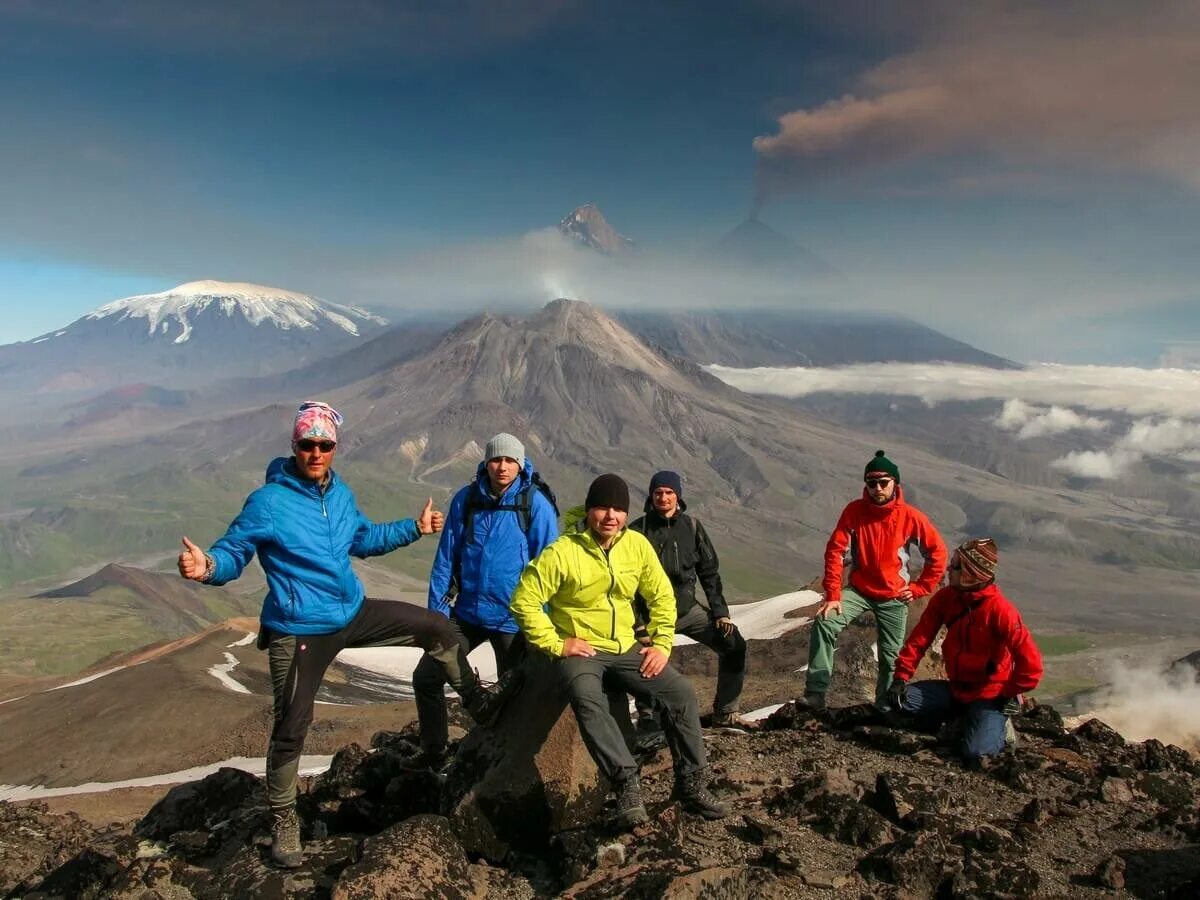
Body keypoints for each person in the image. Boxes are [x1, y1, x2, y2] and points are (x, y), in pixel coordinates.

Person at [177, 401, 503, 869]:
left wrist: (414, 528)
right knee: (291, 724)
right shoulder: (268, 503)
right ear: (294, 446)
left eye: (324, 445)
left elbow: (363, 539)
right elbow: (233, 552)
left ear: (335, 447)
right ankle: (285, 822)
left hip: (351, 611)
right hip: (300, 628)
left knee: (437, 627)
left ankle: (476, 704)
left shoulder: (339, 494)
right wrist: (206, 566)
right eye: (307, 444)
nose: (316, 452)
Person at [509, 474, 728, 828]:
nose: (610, 516)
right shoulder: (563, 551)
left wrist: (660, 644)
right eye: (602, 508)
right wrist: (557, 642)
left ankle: (692, 785)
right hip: (582, 649)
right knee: (587, 698)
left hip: (625, 645)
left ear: (626, 513)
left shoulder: (636, 547)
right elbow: (524, 601)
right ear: (589, 510)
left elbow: (661, 596)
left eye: (618, 509)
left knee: (681, 693)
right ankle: (626, 782)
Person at [410, 432, 559, 769]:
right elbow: (445, 560)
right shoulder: (467, 500)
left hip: (513, 620)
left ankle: (506, 764)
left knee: (514, 699)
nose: (502, 467)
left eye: (509, 460)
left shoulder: (534, 503)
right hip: (467, 615)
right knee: (426, 677)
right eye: (496, 459)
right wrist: (437, 618)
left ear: (519, 464)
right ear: (486, 462)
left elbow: (551, 566)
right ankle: (435, 755)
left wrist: (543, 623)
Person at [804, 450, 948, 710]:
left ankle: (884, 708)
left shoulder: (910, 517)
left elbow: (937, 553)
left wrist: (920, 588)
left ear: (895, 483)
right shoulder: (855, 511)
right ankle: (815, 693)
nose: (878, 488)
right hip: (859, 590)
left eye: (884, 482)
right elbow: (835, 550)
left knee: (891, 658)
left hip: (894, 595)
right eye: (872, 483)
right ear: (865, 485)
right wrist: (833, 595)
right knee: (825, 622)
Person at [889, 538, 1044, 761]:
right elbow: (920, 639)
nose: (948, 570)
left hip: (990, 695)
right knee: (899, 702)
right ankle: (962, 719)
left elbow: (1032, 668)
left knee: (975, 754)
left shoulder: (1001, 612)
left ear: (971, 573)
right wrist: (901, 677)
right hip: (956, 689)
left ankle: (1001, 730)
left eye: (955, 566)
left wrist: (1008, 693)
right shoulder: (946, 598)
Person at [628, 470, 747, 728]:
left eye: (669, 492)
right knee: (647, 660)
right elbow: (628, 584)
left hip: (686, 609)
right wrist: (638, 625)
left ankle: (725, 712)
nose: (663, 497)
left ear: (678, 496)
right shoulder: (637, 531)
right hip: (651, 616)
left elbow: (709, 572)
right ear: (651, 495)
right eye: (658, 492)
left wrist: (720, 612)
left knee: (734, 643)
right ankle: (649, 719)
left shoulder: (692, 527)